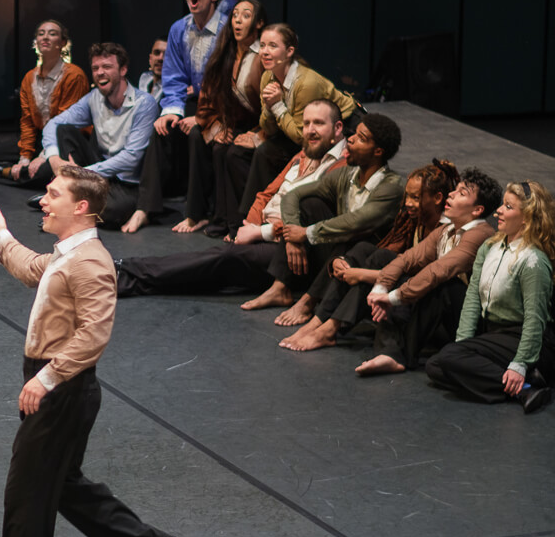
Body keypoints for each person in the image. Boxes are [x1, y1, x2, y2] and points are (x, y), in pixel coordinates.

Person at [0, 165, 183, 537]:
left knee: (26, 493)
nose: (42, 200)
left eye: (52, 194)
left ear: (80, 207)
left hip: (63, 388)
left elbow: (94, 333)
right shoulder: (68, 253)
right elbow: (34, 270)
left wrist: (45, 379)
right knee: (63, 487)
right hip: (60, 384)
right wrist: (0, 238)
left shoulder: (90, 262)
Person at [115, 98, 347, 298]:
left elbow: (313, 218)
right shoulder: (304, 154)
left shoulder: (342, 166)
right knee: (216, 269)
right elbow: (266, 194)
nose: (310, 130)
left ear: (337, 128)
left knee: (223, 258)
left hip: (290, 251)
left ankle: (129, 268)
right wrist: (252, 224)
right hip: (263, 233)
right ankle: (127, 280)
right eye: (306, 123)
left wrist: (259, 232)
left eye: (318, 123)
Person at [241, 113, 404, 326]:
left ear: (378, 151)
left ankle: (309, 302)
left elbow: (356, 222)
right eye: (353, 134)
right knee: (310, 205)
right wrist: (292, 234)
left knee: (350, 237)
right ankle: (280, 287)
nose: (351, 139)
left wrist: (306, 233)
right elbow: (293, 195)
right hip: (333, 254)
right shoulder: (347, 174)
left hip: (363, 259)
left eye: (361, 138)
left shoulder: (391, 186)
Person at [278, 160, 458, 352]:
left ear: (438, 198)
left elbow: (422, 280)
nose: (408, 203)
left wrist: (361, 274)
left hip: (426, 304)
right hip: (400, 283)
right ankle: (318, 321)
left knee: (374, 264)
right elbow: (388, 251)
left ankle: (330, 329)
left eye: (415, 197)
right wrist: (346, 262)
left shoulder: (447, 232)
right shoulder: (415, 219)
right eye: (408, 196)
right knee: (364, 249)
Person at [123, 0, 266, 234]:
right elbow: (207, 95)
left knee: (226, 150)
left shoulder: (263, 54)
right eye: (236, 15)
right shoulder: (224, 51)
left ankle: (234, 222)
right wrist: (213, 123)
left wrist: (255, 133)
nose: (238, 21)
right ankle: (196, 215)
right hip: (225, 119)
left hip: (257, 127)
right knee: (198, 135)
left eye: (246, 16)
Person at [426, 181, 555, 414]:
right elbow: (473, 299)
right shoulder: (489, 247)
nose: (498, 211)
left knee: (451, 359)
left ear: (525, 218)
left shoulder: (533, 260)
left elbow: (535, 320)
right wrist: (462, 343)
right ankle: (526, 383)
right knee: (436, 366)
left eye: (508, 207)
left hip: (524, 337)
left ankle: (524, 386)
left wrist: (521, 363)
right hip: (494, 333)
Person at [356, 169, 501, 375]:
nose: (451, 194)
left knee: (443, 284)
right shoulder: (447, 229)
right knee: (397, 270)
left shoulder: (480, 234)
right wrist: (381, 288)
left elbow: (439, 270)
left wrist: (393, 298)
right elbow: (408, 258)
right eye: (455, 190)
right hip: (441, 317)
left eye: (461, 193)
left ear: (477, 210)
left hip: (471, 324)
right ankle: (389, 352)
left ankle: (404, 356)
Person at [25, 43, 156, 228]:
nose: (100, 72)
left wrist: (85, 173)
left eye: (107, 67)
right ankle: (72, 200)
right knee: (64, 130)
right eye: (95, 68)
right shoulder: (94, 97)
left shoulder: (144, 104)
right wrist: (53, 158)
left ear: (123, 70)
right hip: (97, 172)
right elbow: (53, 124)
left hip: (126, 182)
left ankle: (65, 206)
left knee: (115, 210)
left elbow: (131, 158)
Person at [137, 0, 231, 220]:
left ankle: (196, 213)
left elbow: (227, 81)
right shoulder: (179, 28)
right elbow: (174, 76)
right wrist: (172, 111)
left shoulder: (226, 30)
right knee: (161, 129)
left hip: (222, 105)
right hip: (195, 100)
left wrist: (202, 117)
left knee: (196, 133)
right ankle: (145, 208)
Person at [238, 24, 359, 218]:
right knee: (238, 152)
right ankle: (245, 218)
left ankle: (260, 218)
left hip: (340, 127)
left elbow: (303, 138)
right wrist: (270, 107)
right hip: (297, 126)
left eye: (272, 46)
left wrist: (277, 106)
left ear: (289, 51)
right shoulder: (267, 77)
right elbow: (267, 127)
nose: (265, 52)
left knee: (266, 152)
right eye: (262, 46)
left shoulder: (306, 83)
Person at [0, 20, 90, 180]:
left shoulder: (73, 75)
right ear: (36, 42)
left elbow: (65, 124)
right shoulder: (29, 78)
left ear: (62, 43)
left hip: (67, 140)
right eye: (41, 34)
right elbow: (27, 121)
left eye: (52, 33)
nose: (45, 37)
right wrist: (25, 158)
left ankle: (4, 172)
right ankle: (20, 169)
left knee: (45, 172)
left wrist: (44, 155)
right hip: (41, 138)